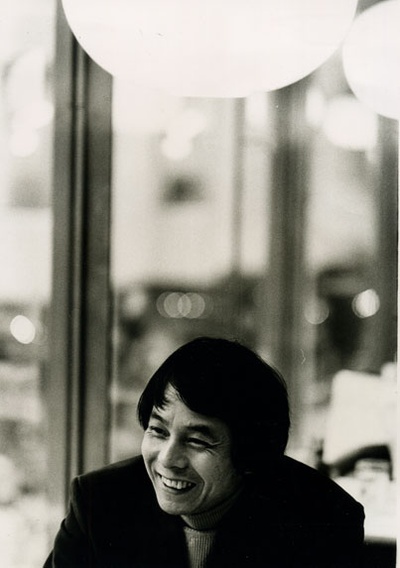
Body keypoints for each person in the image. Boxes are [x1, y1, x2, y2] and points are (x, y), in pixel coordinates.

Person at [44, 337, 365, 567]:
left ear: (251, 452)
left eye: (197, 441)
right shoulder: (99, 503)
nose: (167, 459)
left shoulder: (322, 521)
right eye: (158, 431)